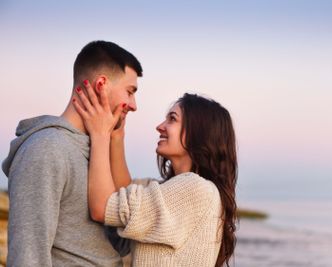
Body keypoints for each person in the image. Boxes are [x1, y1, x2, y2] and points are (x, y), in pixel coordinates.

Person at [2, 40, 142, 266]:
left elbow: (123, 241)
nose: (134, 105)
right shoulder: (47, 148)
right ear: (102, 85)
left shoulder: (98, 152)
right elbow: (28, 256)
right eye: (130, 91)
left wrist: (112, 139)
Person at [72, 81, 238, 267]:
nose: (160, 126)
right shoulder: (172, 190)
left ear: (197, 132)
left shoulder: (196, 190)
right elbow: (124, 192)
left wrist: (99, 134)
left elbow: (103, 207)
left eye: (172, 119)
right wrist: (116, 135)